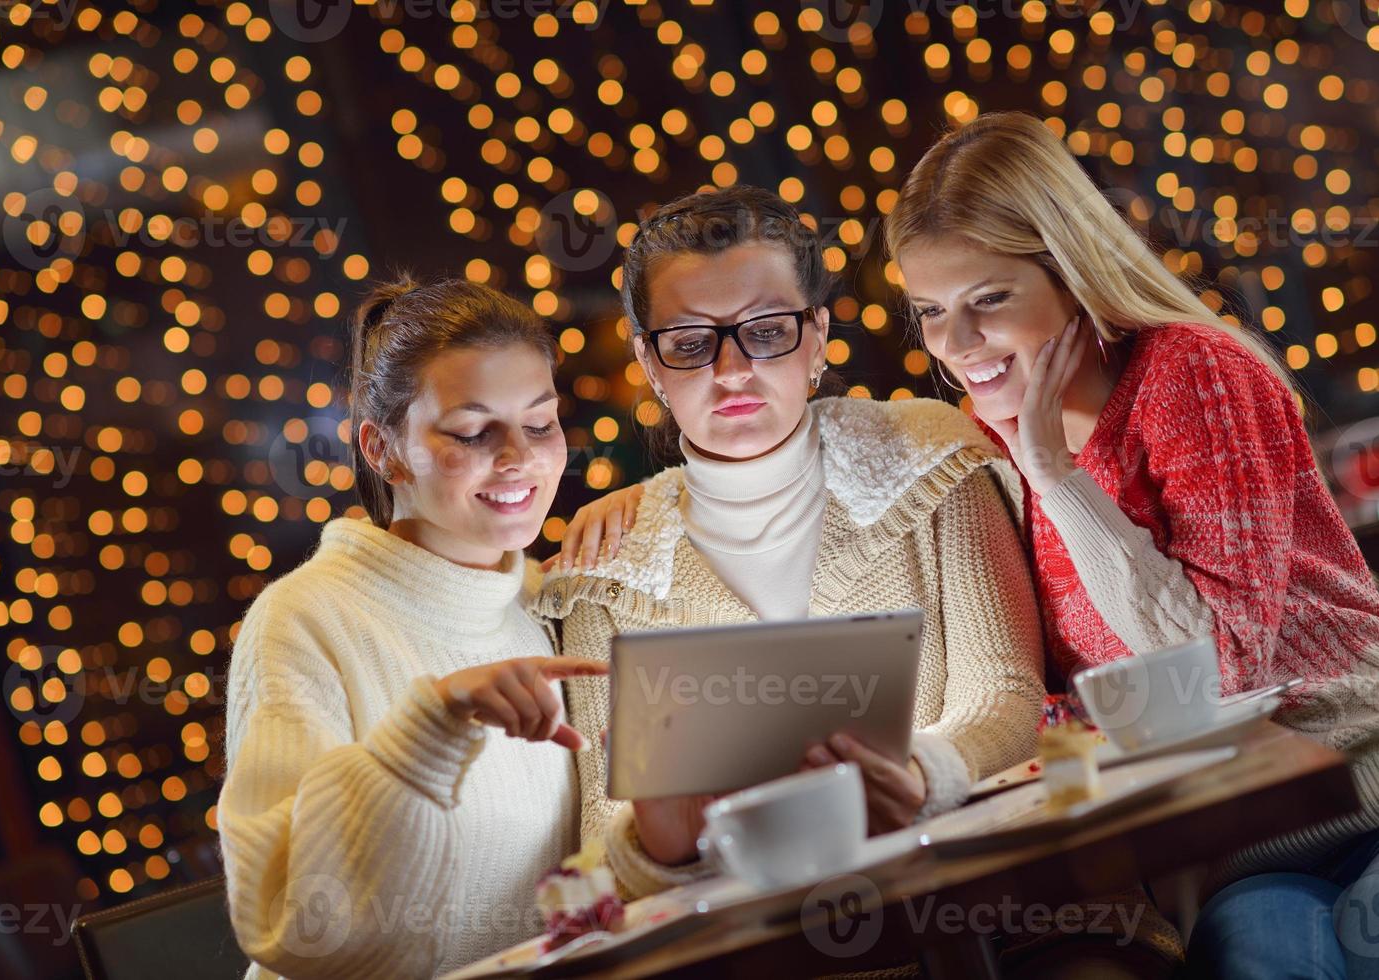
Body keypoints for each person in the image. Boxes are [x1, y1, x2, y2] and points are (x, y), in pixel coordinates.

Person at [881, 111, 1379, 977]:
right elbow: (1068, 697)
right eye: (930, 312)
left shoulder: (1189, 372)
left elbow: (1219, 668)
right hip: (1231, 850)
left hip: (1353, 785)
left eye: (988, 300)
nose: (956, 348)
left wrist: (1058, 477)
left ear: (1070, 277)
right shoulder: (984, 442)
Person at [536, 185, 1047, 904]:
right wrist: (660, 839)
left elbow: (1010, 693)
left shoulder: (932, 458)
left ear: (816, 335)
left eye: (766, 330)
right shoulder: (605, 569)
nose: (731, 371)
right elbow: (602, 828)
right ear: (649, 364)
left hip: (986, 913)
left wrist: (925, 773)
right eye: (688, 344)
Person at [217, 275, 608, 979]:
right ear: (382, 449)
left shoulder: (544, 601)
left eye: (540, 422)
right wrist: (429, 728)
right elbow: (290, 924)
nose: (519, 456)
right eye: (471, 430)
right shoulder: (303, 620)